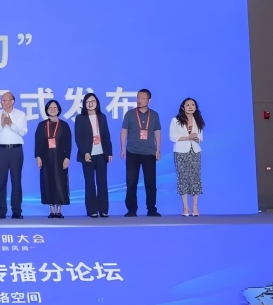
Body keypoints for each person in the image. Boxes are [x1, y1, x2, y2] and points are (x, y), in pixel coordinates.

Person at [120, 88, 162, 217]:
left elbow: (157, 133)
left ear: (149, 100)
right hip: (132, 152)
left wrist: (158, 149)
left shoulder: (154, 115)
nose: (139, 100)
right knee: (131, 182)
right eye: (138, 97)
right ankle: (131, 210)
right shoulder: (129, 114)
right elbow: (124, 131)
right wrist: (122, 148)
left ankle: (151, 209)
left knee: (150, 183)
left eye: (143, 98)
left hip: (149, 153)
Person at [0, 91, 28, 219]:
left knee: (16, 181)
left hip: (16, 150)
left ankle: (17, 211)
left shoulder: (20, 115)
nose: (2, 102)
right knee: (1, 181)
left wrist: (10, 124)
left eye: (5, 100)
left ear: (12, 101)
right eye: (1, 100)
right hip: (1, 150)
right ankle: (1, 211)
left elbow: (23, 132)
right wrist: (2, 124)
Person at [75, 93, 113, 218]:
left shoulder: (102, 117)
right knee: (90, 183)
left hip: (102, 154)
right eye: (88, 102)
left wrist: (109, 152)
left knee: (102, 182)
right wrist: (85, 152)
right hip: (88, 155)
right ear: (84, 104)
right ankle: (92, 210)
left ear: (97, 103)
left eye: (93, 101)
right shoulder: (80, 118)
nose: (90, 104)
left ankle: (103, 209)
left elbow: (106, 136)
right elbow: (78, 138)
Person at [35, 100, 72, 218]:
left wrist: (67, 158)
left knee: (60, 182)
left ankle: (59, 210)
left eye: (55, 107)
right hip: (46, 159)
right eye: (50, 108)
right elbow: (38, 142)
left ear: (59, 109)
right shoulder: (42, 125)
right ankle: (51, 210)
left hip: (60, 158)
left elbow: (68, 143)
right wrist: (38, 157)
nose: (52, 109)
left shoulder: (64, 125)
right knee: (47, 182)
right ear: (46, 110)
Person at [169, 98, 205, 216]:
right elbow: (172, 137)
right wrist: (188, 137)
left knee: (195, 178)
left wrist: (196, 138)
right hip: (181, 152)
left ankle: (195, 207)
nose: (190, 107)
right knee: (183, 178)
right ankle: (185, 207)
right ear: (183, 107)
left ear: (195, 107)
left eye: (193, 105)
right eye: (187, 105)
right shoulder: (175, 120)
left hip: (195, 151)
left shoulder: (198, 120)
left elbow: (201, 138)